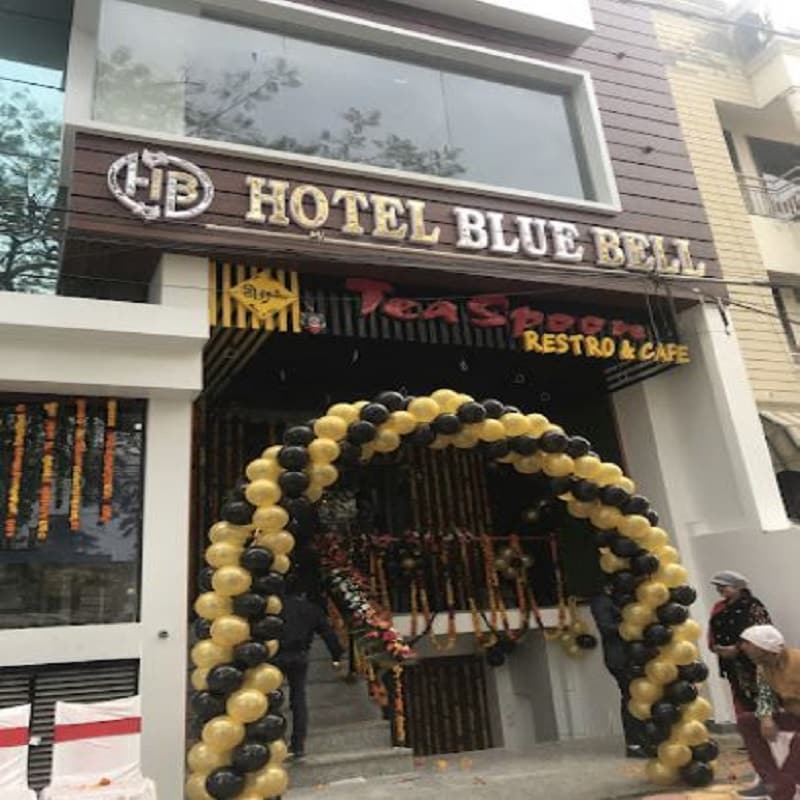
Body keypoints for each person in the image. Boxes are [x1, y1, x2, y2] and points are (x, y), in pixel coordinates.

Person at [275, 581, 345, 759]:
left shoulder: (275, 608)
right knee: (298, 699)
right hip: (299, 655)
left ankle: (275, 739)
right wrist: (336, 655)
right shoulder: (311, 609)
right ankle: (298, 744)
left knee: (272, 699)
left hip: (276, 655)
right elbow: (328, 633)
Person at [736, 625, 800, 800]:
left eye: (749, 645)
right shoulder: (763, 667)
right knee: (747, 722)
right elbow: (765, 696)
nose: (744, 648)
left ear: (768, 651)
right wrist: (766, 718)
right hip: (794, 715)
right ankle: (770, 780)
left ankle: (783, 786)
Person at [590, 590, 648, 758]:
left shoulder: (631, 597)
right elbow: (606, 627)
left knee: (643, 696)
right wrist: (633, 628)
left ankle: (646, 738)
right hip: (620, 658)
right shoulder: (602, 601)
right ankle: (634, 742)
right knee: (630, 697)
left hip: (638, 656)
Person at [709, 570, 771, 715]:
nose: (719, 590)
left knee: (759, 695)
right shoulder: (720, 608)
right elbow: (713, 632)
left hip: (751, 659)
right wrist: (717, 648)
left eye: (723, 586)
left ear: (737, 587)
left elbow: (762, 631)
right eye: (718, 587)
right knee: (741, 698)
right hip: (730, 662)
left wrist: (737, 647)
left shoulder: (752, 605)